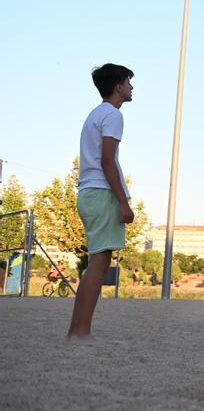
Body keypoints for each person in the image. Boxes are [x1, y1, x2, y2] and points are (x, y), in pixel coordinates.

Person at [67, 63, 135, 340]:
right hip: (102, 192)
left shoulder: (95, 114)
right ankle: (81, 332)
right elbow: (108, 161)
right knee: (99, 264)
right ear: (118, 86)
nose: (132, 88)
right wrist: (123, 202)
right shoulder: (113, 115)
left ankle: (76, 330)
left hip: (89, 192)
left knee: (95, 263)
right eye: (129, 82)